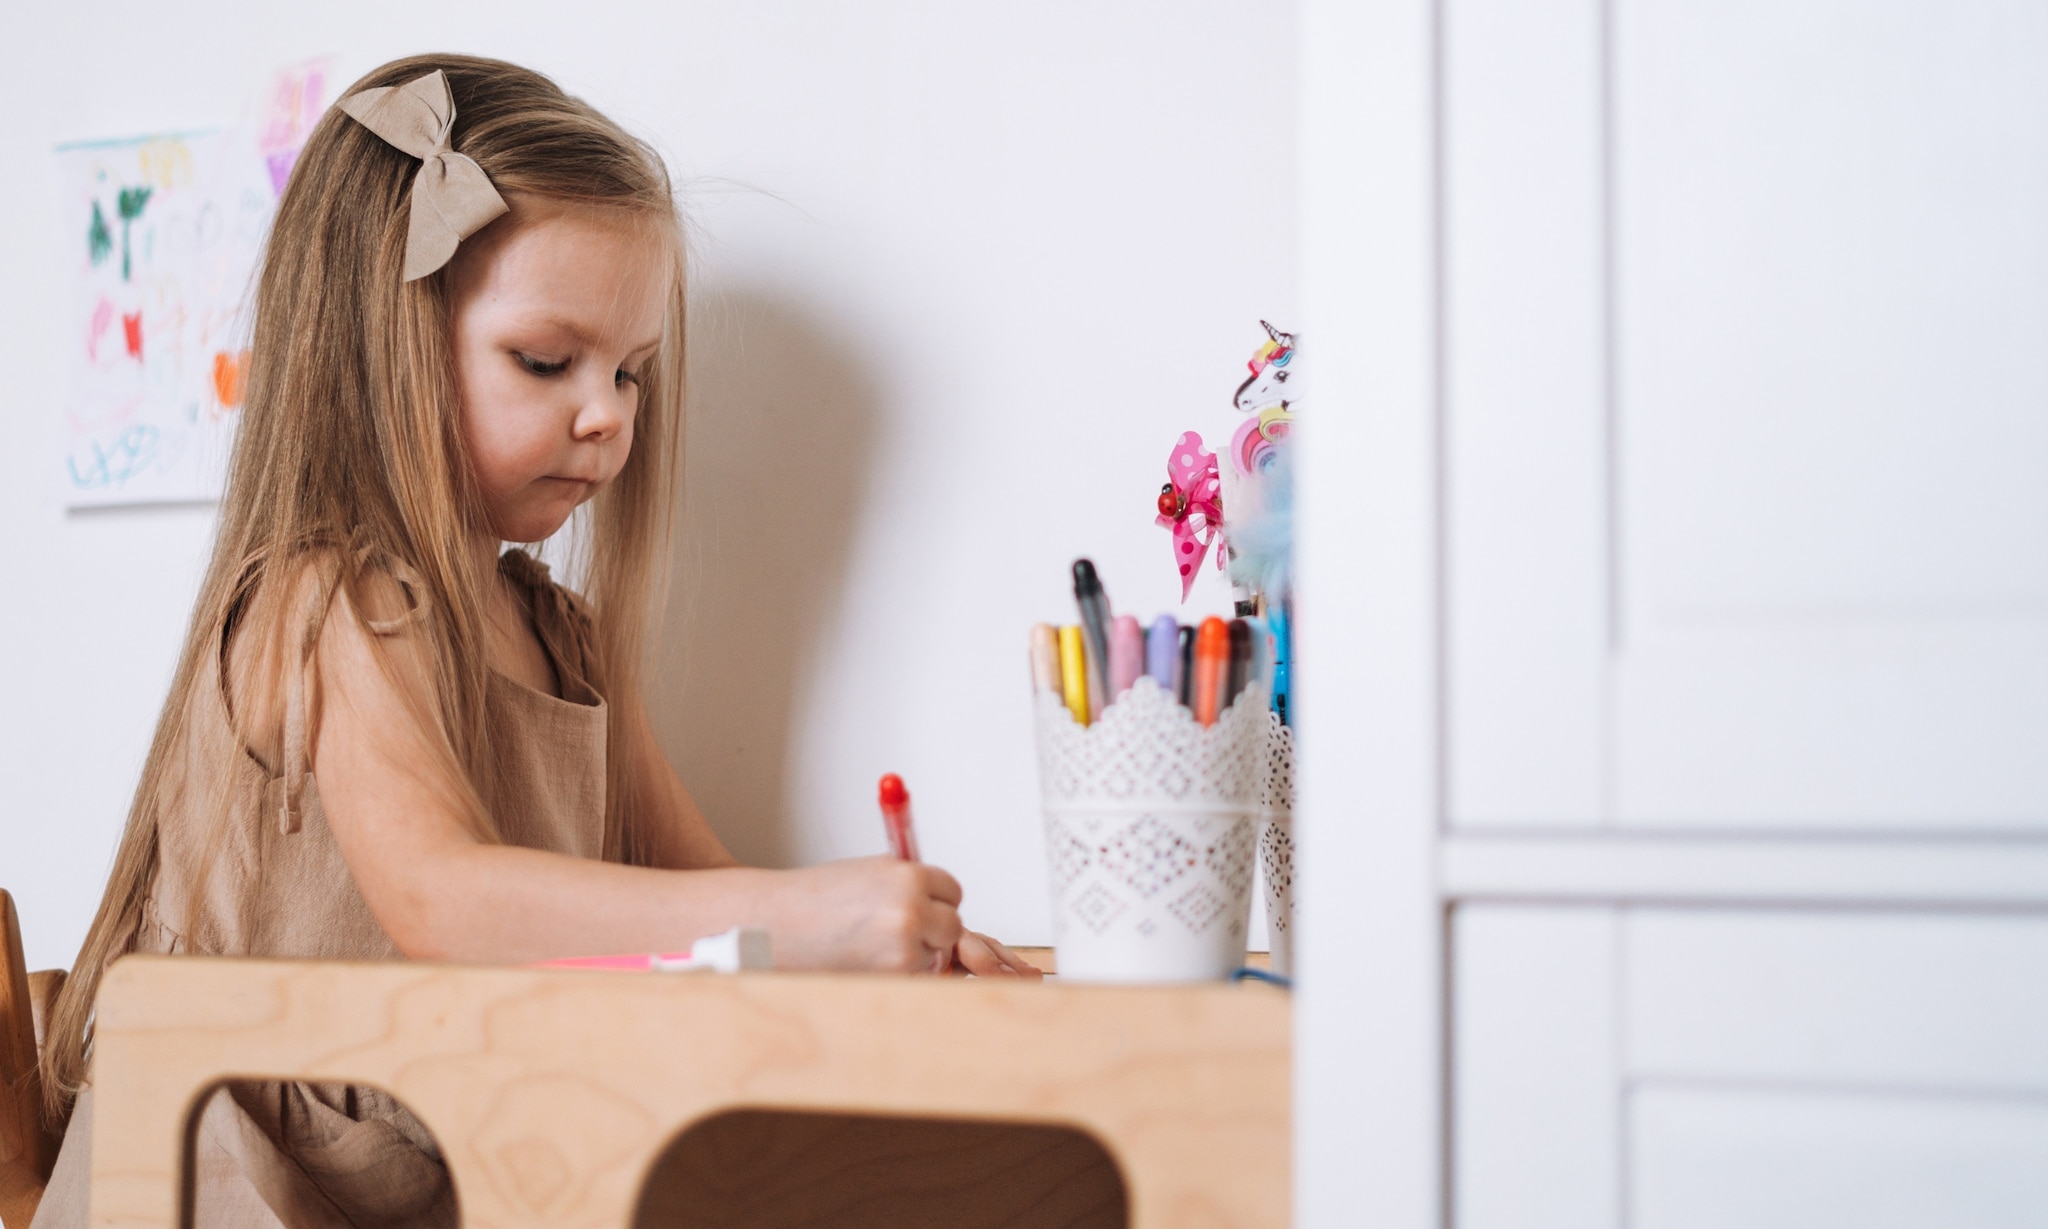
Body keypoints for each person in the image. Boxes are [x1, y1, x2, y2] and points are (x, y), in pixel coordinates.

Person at [32, 53, 1036, 1229]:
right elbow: (443, 898)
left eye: (629, 371)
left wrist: (884, 942)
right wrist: (803, 920)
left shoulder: (568, 641)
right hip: (231, 1197)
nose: (606, 411)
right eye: (546, 361)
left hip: (465, 1176)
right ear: (385, 341)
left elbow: (702, 890)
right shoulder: (322, 603)